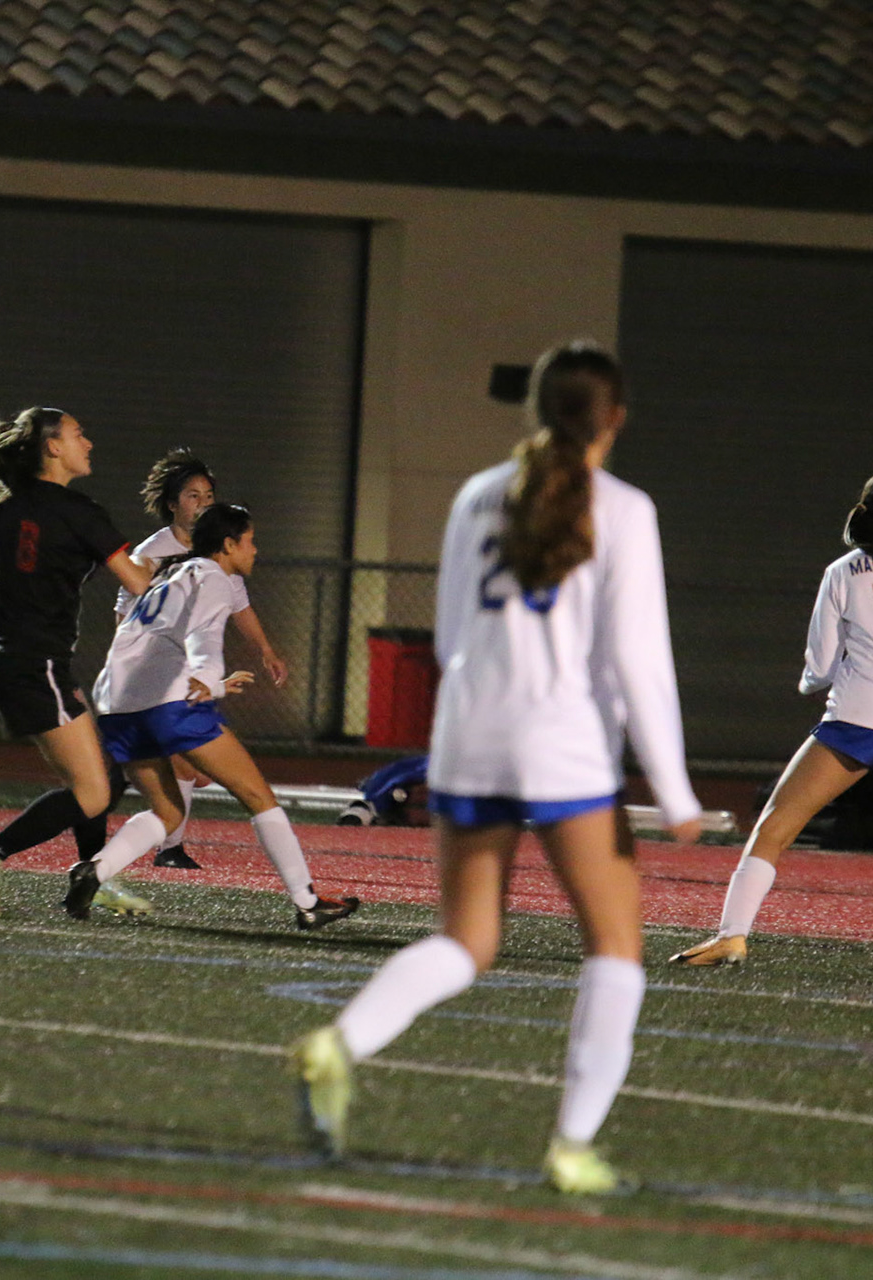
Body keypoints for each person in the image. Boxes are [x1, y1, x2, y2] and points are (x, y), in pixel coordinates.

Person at [288, 340, 701, 1195]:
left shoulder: (478, 493)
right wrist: (674, 786)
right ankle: (572, 1147)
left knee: (467, 940)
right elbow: (640, 658)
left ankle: (340, 1041)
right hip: (563, 746)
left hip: (468, 737)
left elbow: (448, 637)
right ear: (615, 419)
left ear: (535, 409)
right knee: (616, 947)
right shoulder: (624, 508)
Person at [669, 471, 873, 969]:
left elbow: (821, 662)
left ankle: (732, 935)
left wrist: (810, 684)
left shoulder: (842, 571)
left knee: (777, 824)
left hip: (862, 718)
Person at [74, 503, 358, 928]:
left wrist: (208, 681)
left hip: (116, 705)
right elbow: (202, 637)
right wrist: (211, 679)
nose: (255, 550)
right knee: (259, 797)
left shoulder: (172, 575)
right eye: (250, 541)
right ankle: (307, 902)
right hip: (167, 705)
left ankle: (92, 872)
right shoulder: (213, 577)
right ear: (228, 545)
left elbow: (135, 635)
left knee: (168, 812)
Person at [0, 407, 153, 918]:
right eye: (79, 434)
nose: (89, 443)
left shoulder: (3, 501)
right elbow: (138, 583)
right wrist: (178, 559)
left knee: (97, 774)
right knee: (95, 792)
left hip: (12, 660)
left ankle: (92, 875)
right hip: (37, 666)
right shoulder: (81, 513)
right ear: (53, 447)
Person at [114, 449, 289, 869]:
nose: (203, 503)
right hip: (157, 672)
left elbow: (239, 605)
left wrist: (265, 650)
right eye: (193, 495)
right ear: (172, 504)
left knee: (191, 768)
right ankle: (164, 848)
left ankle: (145, 835)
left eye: (208, 495)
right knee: (185, 763)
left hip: (190, 672)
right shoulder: (154, 551)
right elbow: (124, 610)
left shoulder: (215, 547)